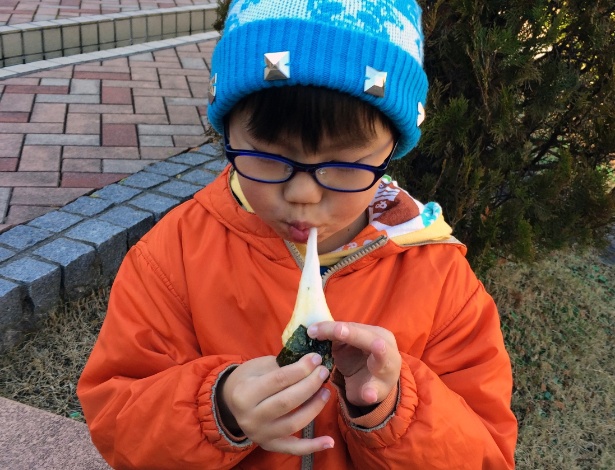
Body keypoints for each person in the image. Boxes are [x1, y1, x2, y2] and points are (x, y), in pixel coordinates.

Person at [77, 0, 518, 468]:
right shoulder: (175, 255)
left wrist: (389, 407)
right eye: (270, 157)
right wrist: (220, 409)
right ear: (227, 133)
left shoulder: (438, 276)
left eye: (344, 164)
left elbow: (487, 452)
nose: (303, 194)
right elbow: (116, 416)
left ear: (391, 150)